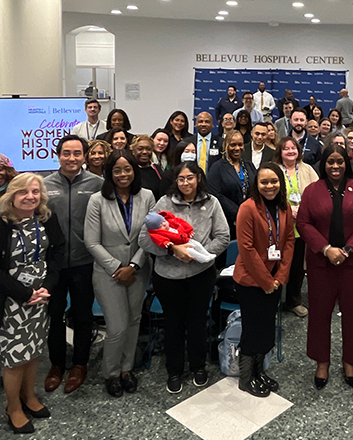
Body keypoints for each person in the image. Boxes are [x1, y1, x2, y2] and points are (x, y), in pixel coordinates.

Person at [0, 173, 63, 434]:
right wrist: (25, 293)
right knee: (14, 358)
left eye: (35, 192)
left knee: (35, 350)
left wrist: (46, 288)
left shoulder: (46, 219)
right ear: (12, 195)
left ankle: (30, 396)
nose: (30, 197)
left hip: (40, 298)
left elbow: (57, 252)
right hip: (11, 301)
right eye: (23, 192)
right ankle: (12, 407)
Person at [140, 161, 230, 393]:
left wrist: (199, 255)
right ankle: (174, 370)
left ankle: (199, 366)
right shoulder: (164, 203)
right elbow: (144, 238)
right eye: (181, 179)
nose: (185, 183)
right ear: (175, 181)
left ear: (198, 178)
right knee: (174, 324)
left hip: (201, 274)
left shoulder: (212, 203)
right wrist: (172, 249)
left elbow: (222, 236)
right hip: (168, 277)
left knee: (198, 322)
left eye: (190, 177)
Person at [297, 147, 353, 389]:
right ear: (324, 164)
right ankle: (322, 361)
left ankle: (350, 360)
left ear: (346, 163)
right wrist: (325, 249)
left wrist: (349, 249)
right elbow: (303, 222)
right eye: (330, 162)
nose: (335, 166)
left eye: (339, 161)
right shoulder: (313, 190)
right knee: (320, 312)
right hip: (322, 262)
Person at [85, 150, 154, 397]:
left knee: (134, 321)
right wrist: (117, 268)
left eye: (127, 169)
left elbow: (150, 236)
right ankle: (111, 373)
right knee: (116, 327)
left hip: (138, 270)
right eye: (117, 170)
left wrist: (133, 266)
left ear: (135, 170)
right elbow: (91, 242)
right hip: (108, 273)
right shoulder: (97, 200)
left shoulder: (146, 196)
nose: (123, 174)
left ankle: (127, 370)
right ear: (109, 173)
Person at [42, 136, 103, 394]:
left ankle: (80, 363)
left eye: (77, 153)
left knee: (83, 315)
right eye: (66, 153)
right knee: (53, 316)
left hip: (84, 261)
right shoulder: (44, 186)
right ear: (57, 155)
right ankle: (56, 364)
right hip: (52, 264)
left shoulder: (97, 184)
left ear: (84, 156)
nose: (71, 158)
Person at [230, 163, 295, 397]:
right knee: (252, 330)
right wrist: (267, 281)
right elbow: (246, 249)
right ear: (256, 185)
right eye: (264, 182)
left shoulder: (284, 207)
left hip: (275, 280)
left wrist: (280, 276)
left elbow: (289, 242)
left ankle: (259, 372)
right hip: (251, 280)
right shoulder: (247, 208)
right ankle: (247, 379)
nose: (269, 186)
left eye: (274, 181)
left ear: (281, 182)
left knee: (267, 328)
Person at [276, 136, 319, 317]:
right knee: (276, 263)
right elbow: (268, 192)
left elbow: (317, 193)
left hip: (301, 226)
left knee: (297, 266)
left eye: (293, 148)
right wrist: (287, 209)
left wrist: (303, 210)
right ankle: (274, 301)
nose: (290, 151)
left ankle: (294, 301)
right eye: (286, 148)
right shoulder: (274, 170)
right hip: (279, 225)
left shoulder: (307, 169)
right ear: (280, 152)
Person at [207, 130, 255, 239]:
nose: (237, 148)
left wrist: (248, 213)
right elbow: (216, 194)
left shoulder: (249, 165)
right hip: (226, 220)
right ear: (226, 145)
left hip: (249, 219)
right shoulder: (217, 167)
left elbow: (255, 189)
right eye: (233, 145)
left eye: (240, 144)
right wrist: (238, 214)